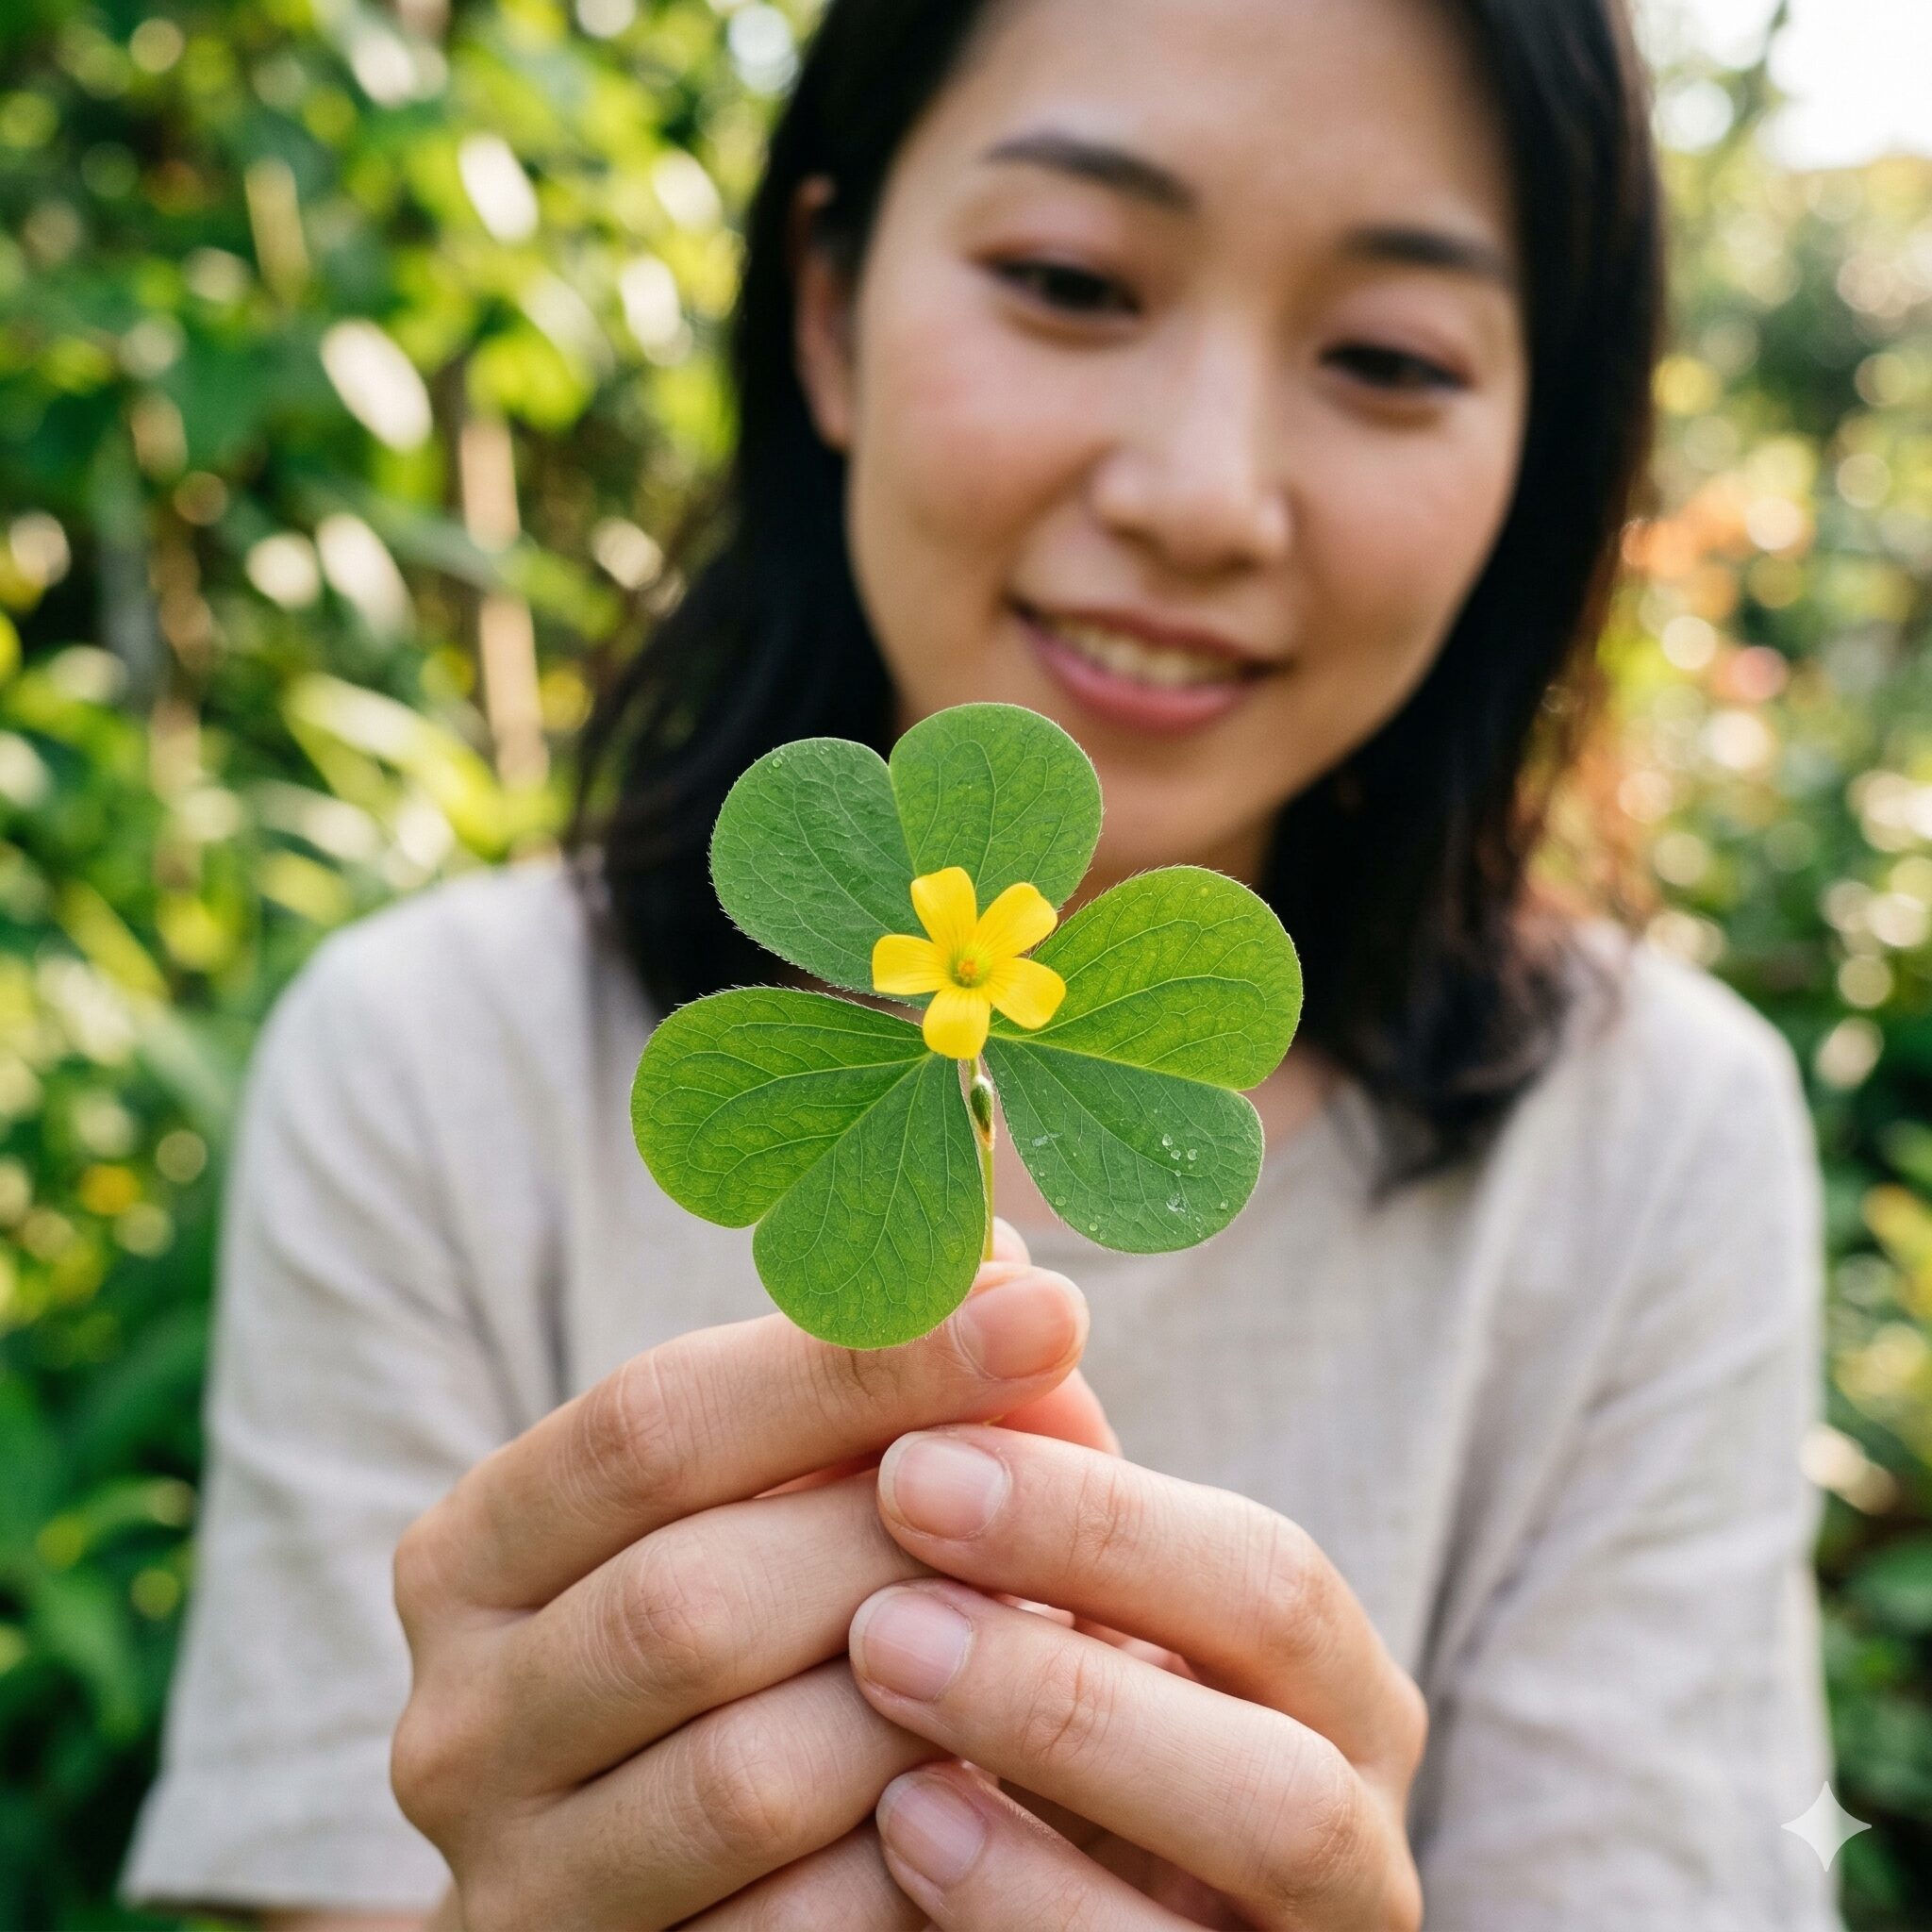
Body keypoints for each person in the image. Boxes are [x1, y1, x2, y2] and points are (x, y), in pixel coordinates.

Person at [117, 0, 1844, 1924]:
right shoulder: (426, 1061)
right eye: (1069, 279)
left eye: (1384, 354)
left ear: (1540, 448)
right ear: (831, 310)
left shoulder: (1658, 1138)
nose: (1199, 493)